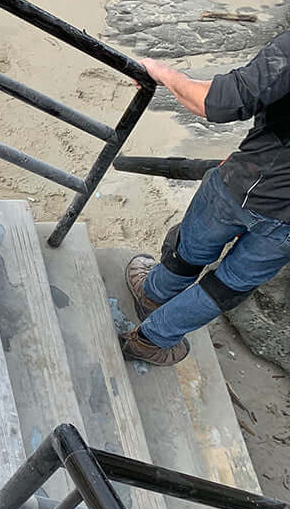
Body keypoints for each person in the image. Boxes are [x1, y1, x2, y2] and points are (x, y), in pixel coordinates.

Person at [120, 31, 290, 365]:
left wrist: (165, 74)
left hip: (244, 181)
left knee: (192, 248)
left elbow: (220, 101)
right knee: (228, 285)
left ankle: (152, 294)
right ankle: (153, 340)